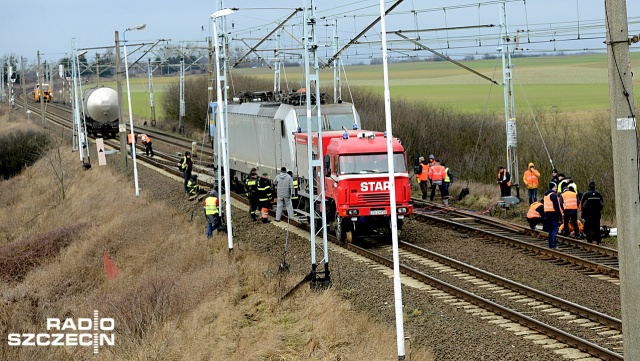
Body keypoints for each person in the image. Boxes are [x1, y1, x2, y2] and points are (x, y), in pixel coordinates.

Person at [543, 182, 562, 249]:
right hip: (553, 214)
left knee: (550, 230)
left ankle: (550, 245)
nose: (556, 188)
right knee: (554, 230)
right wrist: (559, 215)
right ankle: (553, 245)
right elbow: (556, 206)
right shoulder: (553, 195)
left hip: (547, 214)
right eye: (555, 187)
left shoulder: (546, 195)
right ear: (553, 187)